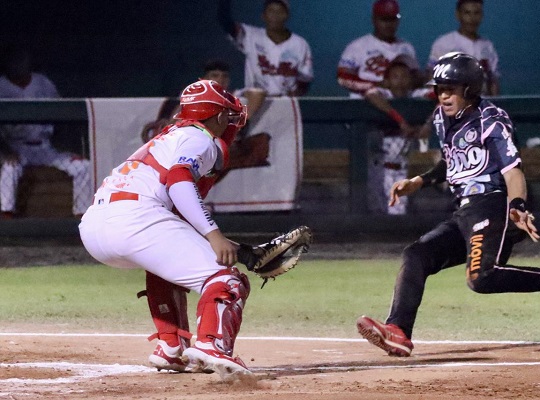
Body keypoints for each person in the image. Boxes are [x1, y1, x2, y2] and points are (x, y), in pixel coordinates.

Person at [356, 52, 540, 357]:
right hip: (464, 211)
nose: (442, 95)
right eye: (439, 89)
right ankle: (398, 331)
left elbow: (513, 171)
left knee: (481, 278)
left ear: (470, 89)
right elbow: (451, 163)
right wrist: (418, 181)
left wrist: (519, 205)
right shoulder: (444, 119)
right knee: (416, 255)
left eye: (450, 89)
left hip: (492, 204)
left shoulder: (491, 120)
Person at [79, 80, 255, 380]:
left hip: (95, 225)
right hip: (136, 219)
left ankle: (171, 346)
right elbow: (179, 181)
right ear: (216, 115)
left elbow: (175, 221)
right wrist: (214, 236)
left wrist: (238, 247)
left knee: (167, 268)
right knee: (227, 280)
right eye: (226, 112)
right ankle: (213, 345)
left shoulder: (170, 137)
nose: (230, 120)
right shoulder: (200, 138)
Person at [337, 0, 422, 214]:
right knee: (369, 173)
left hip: (395, 125)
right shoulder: (358, 46)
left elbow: (414, 81)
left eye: (393, 19)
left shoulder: (406, 48)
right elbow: (343, 78)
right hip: (368, 118)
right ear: (374, 20)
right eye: (384, 19)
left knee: (394, 166)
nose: (389, 24)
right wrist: (376, 85)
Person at [0, 46, 92, 218]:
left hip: (45, 147)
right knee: (9, 168)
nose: (18, 64)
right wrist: (5, 151)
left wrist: (64, 147)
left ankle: (82, 215)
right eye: (14, 60)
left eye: (22, 59)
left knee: (83, 166)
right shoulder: (2, 86)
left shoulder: (42, 82)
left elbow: (61, 114)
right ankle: (6, 215)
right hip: (16, 146)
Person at [363, 55, 426, 214]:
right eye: (395, 76)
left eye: (405, 76)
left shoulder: (416, 96)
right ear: (387, 81)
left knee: (396, 213)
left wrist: (428, 124)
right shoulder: (384, 95)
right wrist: (400, 121)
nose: (401, 80)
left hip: (404, 167)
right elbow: (370, 93)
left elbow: (438, 95)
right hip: (379, 166)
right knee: (377, 211)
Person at [217, 0, 314, 97]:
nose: (275, 15)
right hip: (256, 101)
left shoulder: (300, 44)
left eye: (280, 11)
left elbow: (305, 79)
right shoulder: (251, 36)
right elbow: (224, 20)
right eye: (271, 11)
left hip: (285, 102)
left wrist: (294, 94)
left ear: (287, 16)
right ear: (263, 16)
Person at [427, 0, 500, 96]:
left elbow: (493, 81)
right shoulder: (444, 43)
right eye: (467, 13)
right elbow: (431, 78)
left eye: (476, 13)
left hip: (480, 104)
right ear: (458, 15)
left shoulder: (487, 46)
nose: (472, 18)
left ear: (482, 16)